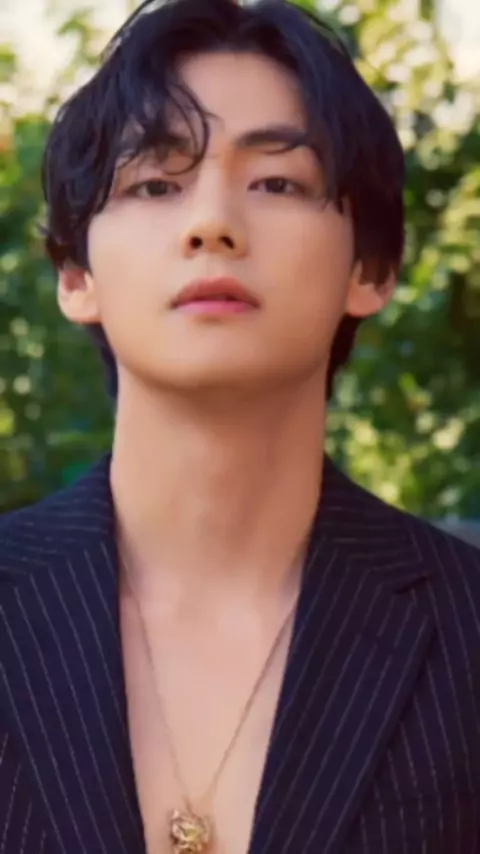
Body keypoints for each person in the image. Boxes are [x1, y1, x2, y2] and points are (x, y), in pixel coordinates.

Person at [0, 0, 479, 852]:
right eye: (155, 184)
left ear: (370, 268)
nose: (212, 223)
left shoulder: (467, 629)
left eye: (277, 183)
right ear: (76, 275)